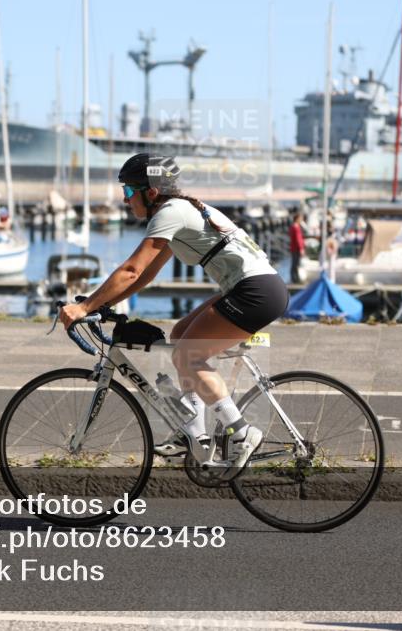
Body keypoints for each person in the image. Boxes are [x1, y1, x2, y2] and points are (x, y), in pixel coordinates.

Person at [59, 153, 290, 471]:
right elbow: (147, 274)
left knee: (186, 355)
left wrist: (84, 306)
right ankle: (193, 434)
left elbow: (130, 270)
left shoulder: (171, 211)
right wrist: (103, 304)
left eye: (128, 192)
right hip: (255, 286)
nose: (125, 200)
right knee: (181, 335)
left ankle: (241, 432)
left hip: (256, 291)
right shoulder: (179, 210)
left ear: (150, 192)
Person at [288, 213, 305, 284]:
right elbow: (298, 239)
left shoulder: (293, 226)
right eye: (300, 218)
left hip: (293, 248)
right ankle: (295, 279)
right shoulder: (296, 227)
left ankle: (294, 278)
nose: (301, 220)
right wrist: (301, 248)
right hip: (296, 248)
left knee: (294, 263)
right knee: (296, 263)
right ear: (297, 218)